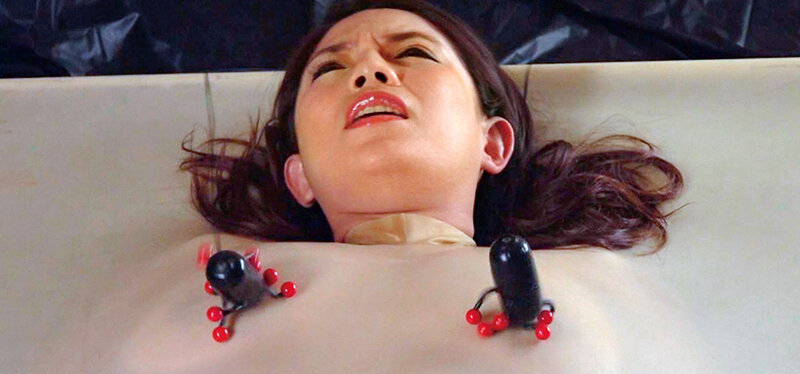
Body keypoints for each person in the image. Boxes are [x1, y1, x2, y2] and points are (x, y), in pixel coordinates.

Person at [181, 0, 683, 251]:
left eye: (415, 53)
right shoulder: (217, 292)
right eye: (330, 68)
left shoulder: (576, 292)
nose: (370, 71)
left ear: (492, 142)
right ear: (300, 176)